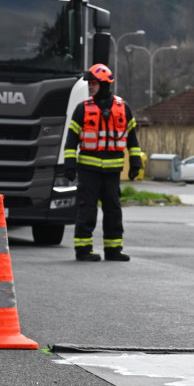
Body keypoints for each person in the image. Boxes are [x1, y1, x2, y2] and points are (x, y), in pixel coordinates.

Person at [63, 63, 143, 262]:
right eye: (89, 83)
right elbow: (71, 139)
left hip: (113, 172)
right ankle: (83, 250)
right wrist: (69, 165)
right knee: (86, 209)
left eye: (94, 83)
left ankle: (114, 249)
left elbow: (132, 138)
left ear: (105, 84)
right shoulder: (82, 109)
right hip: (88, 171)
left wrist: (135, 163)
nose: (90, 86)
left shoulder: (123, 108)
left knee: (113, 211)